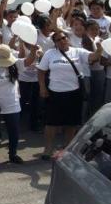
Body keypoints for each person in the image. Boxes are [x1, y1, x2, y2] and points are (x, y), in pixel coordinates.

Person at [38, 31, 102, 159]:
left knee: (71, 123)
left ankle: (67, 148)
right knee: (51, 123)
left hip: (74, 93)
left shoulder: (78, 51)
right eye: (58, 39)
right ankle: (48, 149)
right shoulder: (50, 54)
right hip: (55, 93)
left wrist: (100, 49)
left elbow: (93, 57)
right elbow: (41, 71)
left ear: (67, 38)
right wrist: (42, 88)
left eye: (63, 38)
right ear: (55, 43)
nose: (62, 41)